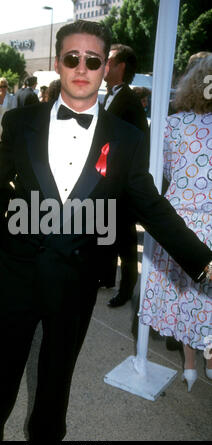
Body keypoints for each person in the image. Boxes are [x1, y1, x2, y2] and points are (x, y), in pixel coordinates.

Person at [0, 20, 212, 441]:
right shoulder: (20, 121)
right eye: (72, 58)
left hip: (76, 278)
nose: (82, 68)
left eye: (93, 60)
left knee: (55, 385)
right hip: (15, 270)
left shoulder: (128, 138)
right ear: (59, 65)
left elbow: (153, 207)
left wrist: (205, 262)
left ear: (105, 69)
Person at [139, 55, 212, 391]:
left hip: (177, 222)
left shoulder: (172, 124)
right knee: (205, 299)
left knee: (183, 296)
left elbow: (166, 172)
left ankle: (190, 366)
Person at [104, 44, 149, 308]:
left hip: (123, 184)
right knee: (107, 232)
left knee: (125, 240)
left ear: (121, 66)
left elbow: (137, 145)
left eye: (108, 60)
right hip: (108, 181)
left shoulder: (129, 101)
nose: (103, 65)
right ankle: (107, 277)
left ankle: (126, 288)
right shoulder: (111, 95)